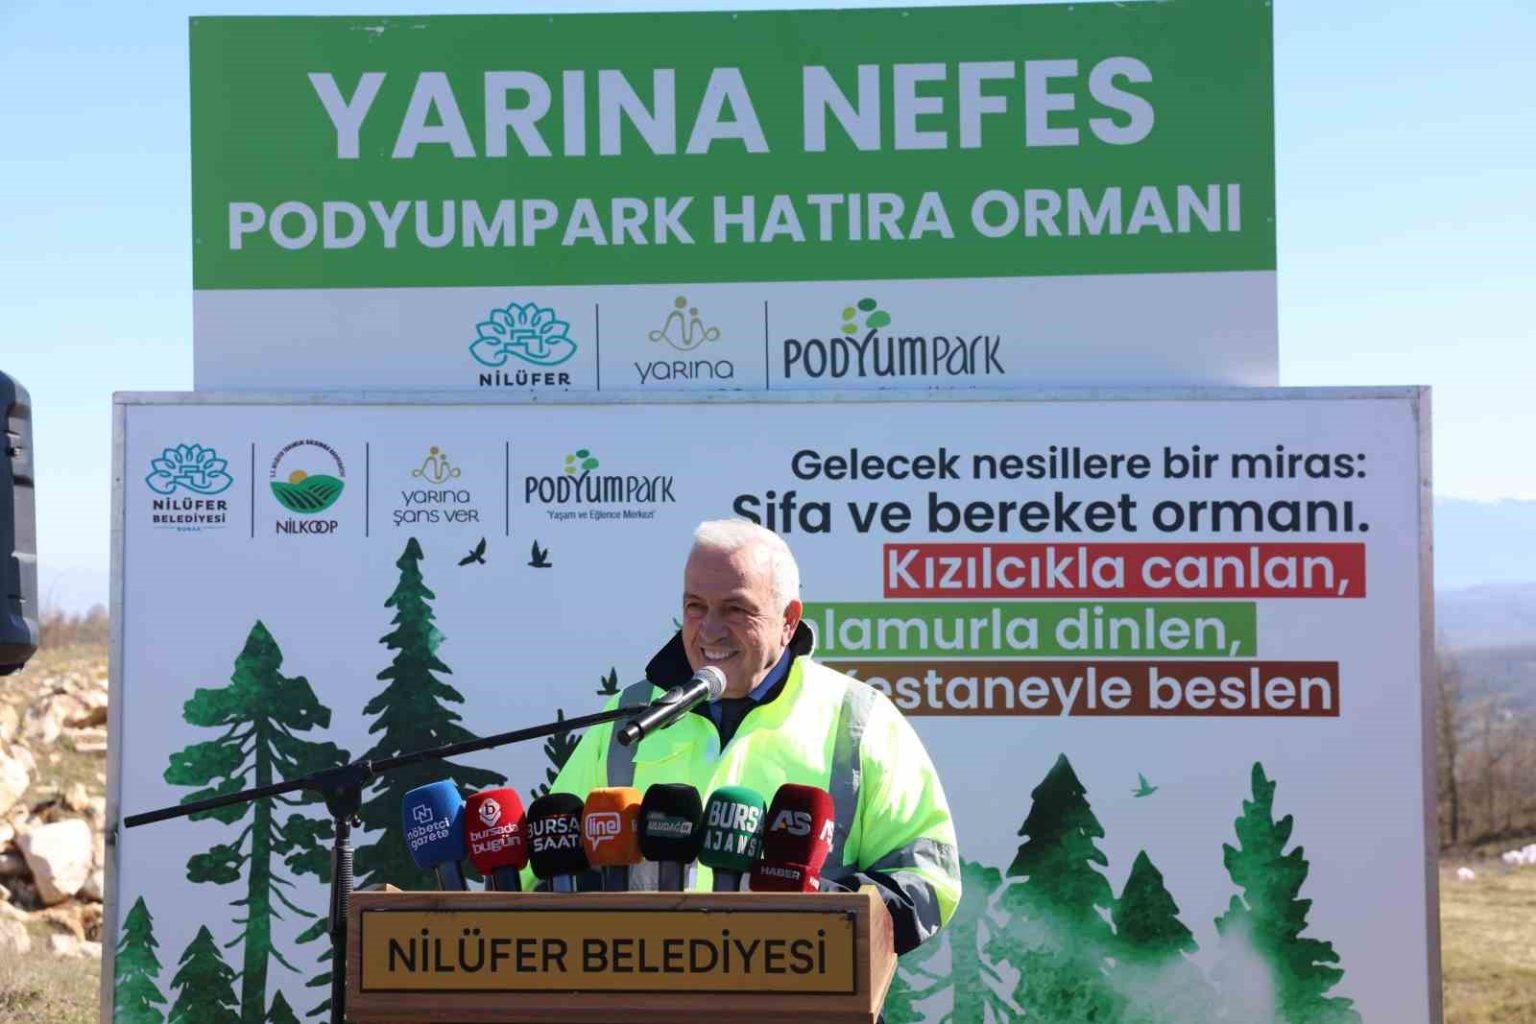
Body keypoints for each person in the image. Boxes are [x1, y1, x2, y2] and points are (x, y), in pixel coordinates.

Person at [537, 518, 961, 956]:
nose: (710, 630)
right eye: (696, 606)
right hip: (638, 983)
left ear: (789, 620)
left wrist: (824, 909)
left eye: (736, 609)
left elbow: (928, 881)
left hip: (801, 981)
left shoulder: (858, 719)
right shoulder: (632, 712)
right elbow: (547, 865)